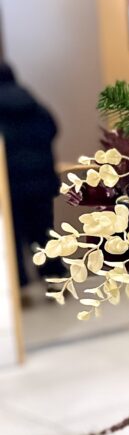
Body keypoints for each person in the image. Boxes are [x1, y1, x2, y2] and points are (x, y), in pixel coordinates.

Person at [0, 49, 59, 291]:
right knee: (44, 232)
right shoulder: (32, 102)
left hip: (11, 185)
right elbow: (53, 128)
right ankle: (55, 278)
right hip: (42, 182)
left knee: (12, 237)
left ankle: (19, 288)